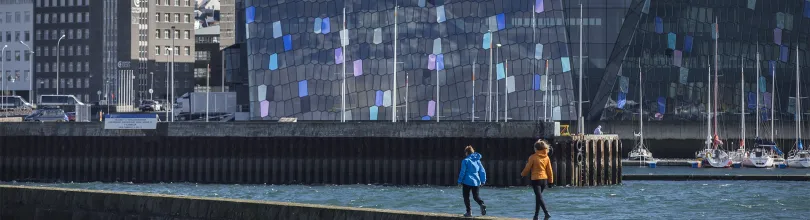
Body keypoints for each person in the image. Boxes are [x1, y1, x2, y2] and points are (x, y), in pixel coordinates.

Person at [521, 140, 554, 219]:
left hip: (536, 180)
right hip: (544, 180)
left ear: (536, 148)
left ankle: (546, 213)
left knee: (539, 197)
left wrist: (522, 174)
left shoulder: (533, 157)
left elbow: (527, 168)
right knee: (538, 197)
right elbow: (550, 170)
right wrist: (550, 181)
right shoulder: (546, 157)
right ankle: (536, 216)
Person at [457, 145, 487, 217]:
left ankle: (469, 212)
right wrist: (483, 181)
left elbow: (462, 172)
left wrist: (459, 181)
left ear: (467, 153)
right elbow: (482, 171)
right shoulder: (477, 160)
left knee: (466, 197)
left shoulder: (465, 161)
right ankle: (481, 203)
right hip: (476, 181)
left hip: (467, 181)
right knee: (476, 197)